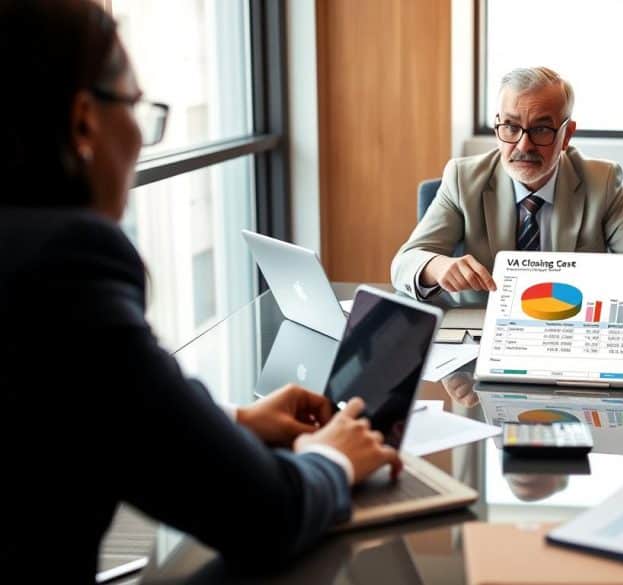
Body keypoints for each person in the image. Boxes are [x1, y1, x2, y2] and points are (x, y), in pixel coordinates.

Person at [0, 1, 399, 581]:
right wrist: (333, 458)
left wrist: (232, 421)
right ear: (84, 119)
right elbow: (264, 515)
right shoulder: (63, 264)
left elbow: (65, 413)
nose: (141, 137)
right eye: (139, 106)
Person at [391, 66, 623, 306]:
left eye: (540, 129)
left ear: (567, 135)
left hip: (571, 331)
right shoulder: (463, 178)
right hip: (479, 336)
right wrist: (436, 266)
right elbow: (405, 263)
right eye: (510, 126)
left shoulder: (601, 182)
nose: (523, 145)